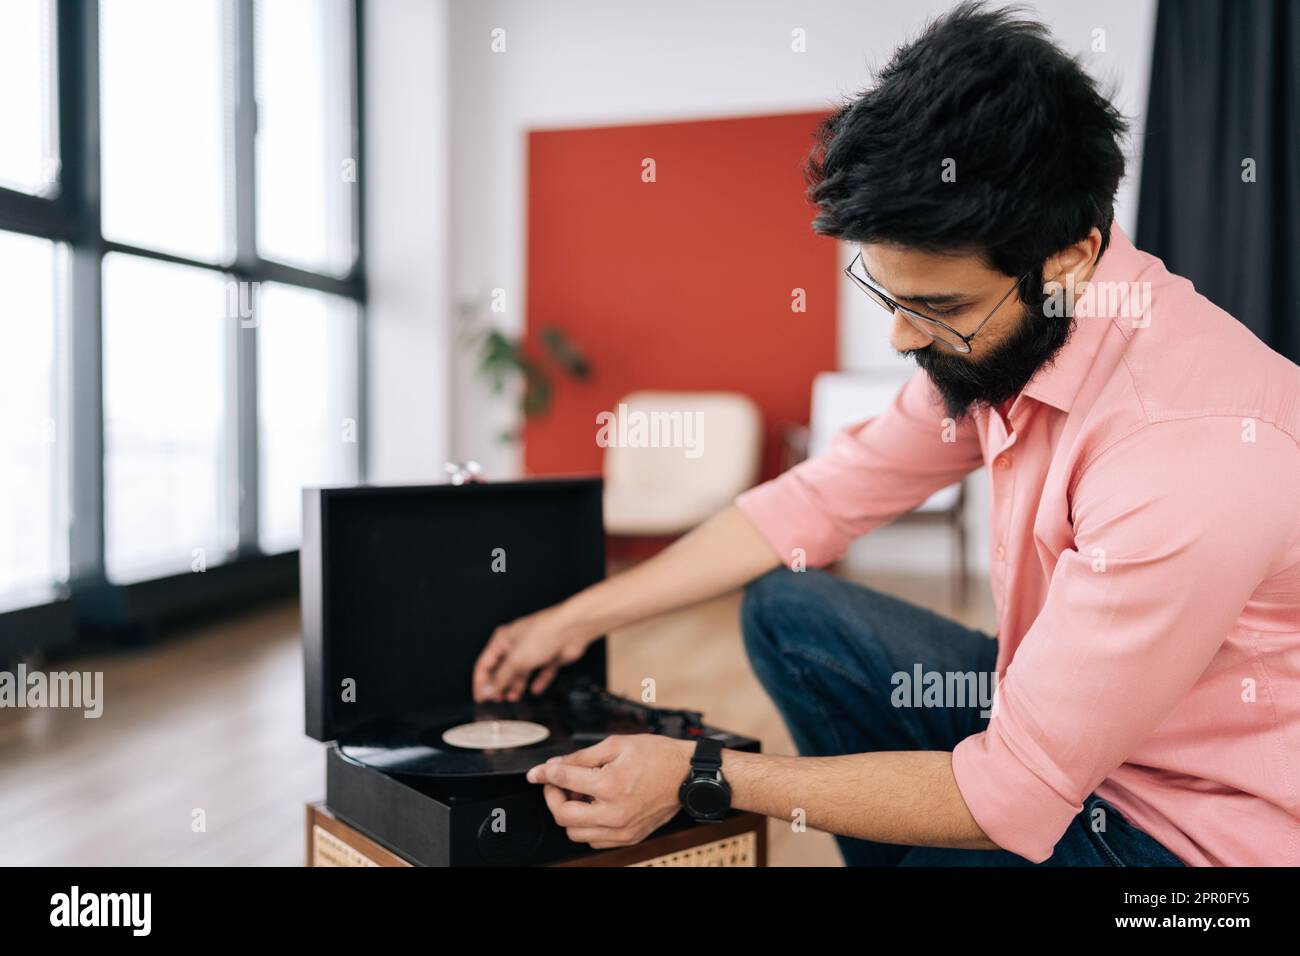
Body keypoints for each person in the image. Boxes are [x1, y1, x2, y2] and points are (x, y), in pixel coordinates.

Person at [472, 2, 1300, 866]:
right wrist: (576, 616)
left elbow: (1010, 792)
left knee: (972, 825)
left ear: (1069, 261)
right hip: (1079, 733)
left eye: (938, 308)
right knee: (792, 608)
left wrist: (703, 775)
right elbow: (816, 499)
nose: (903, 338)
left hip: (1191, 843)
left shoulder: (1190, 451)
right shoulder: (1013, 339)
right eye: (889, 295)